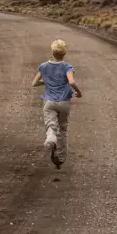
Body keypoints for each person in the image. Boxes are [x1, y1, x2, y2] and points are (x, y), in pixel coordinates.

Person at [32, 39, 82, 169]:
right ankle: (61, 157)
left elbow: (34, 83)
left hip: (49, 101)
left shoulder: (43, 66)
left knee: (51, 126)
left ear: (52, 52)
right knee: (63, 129)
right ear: (64, 53)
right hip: (64, 101)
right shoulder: (67, 67)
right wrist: (78, 92)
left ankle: (50, 137)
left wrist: (47, 82)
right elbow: (71, 82)